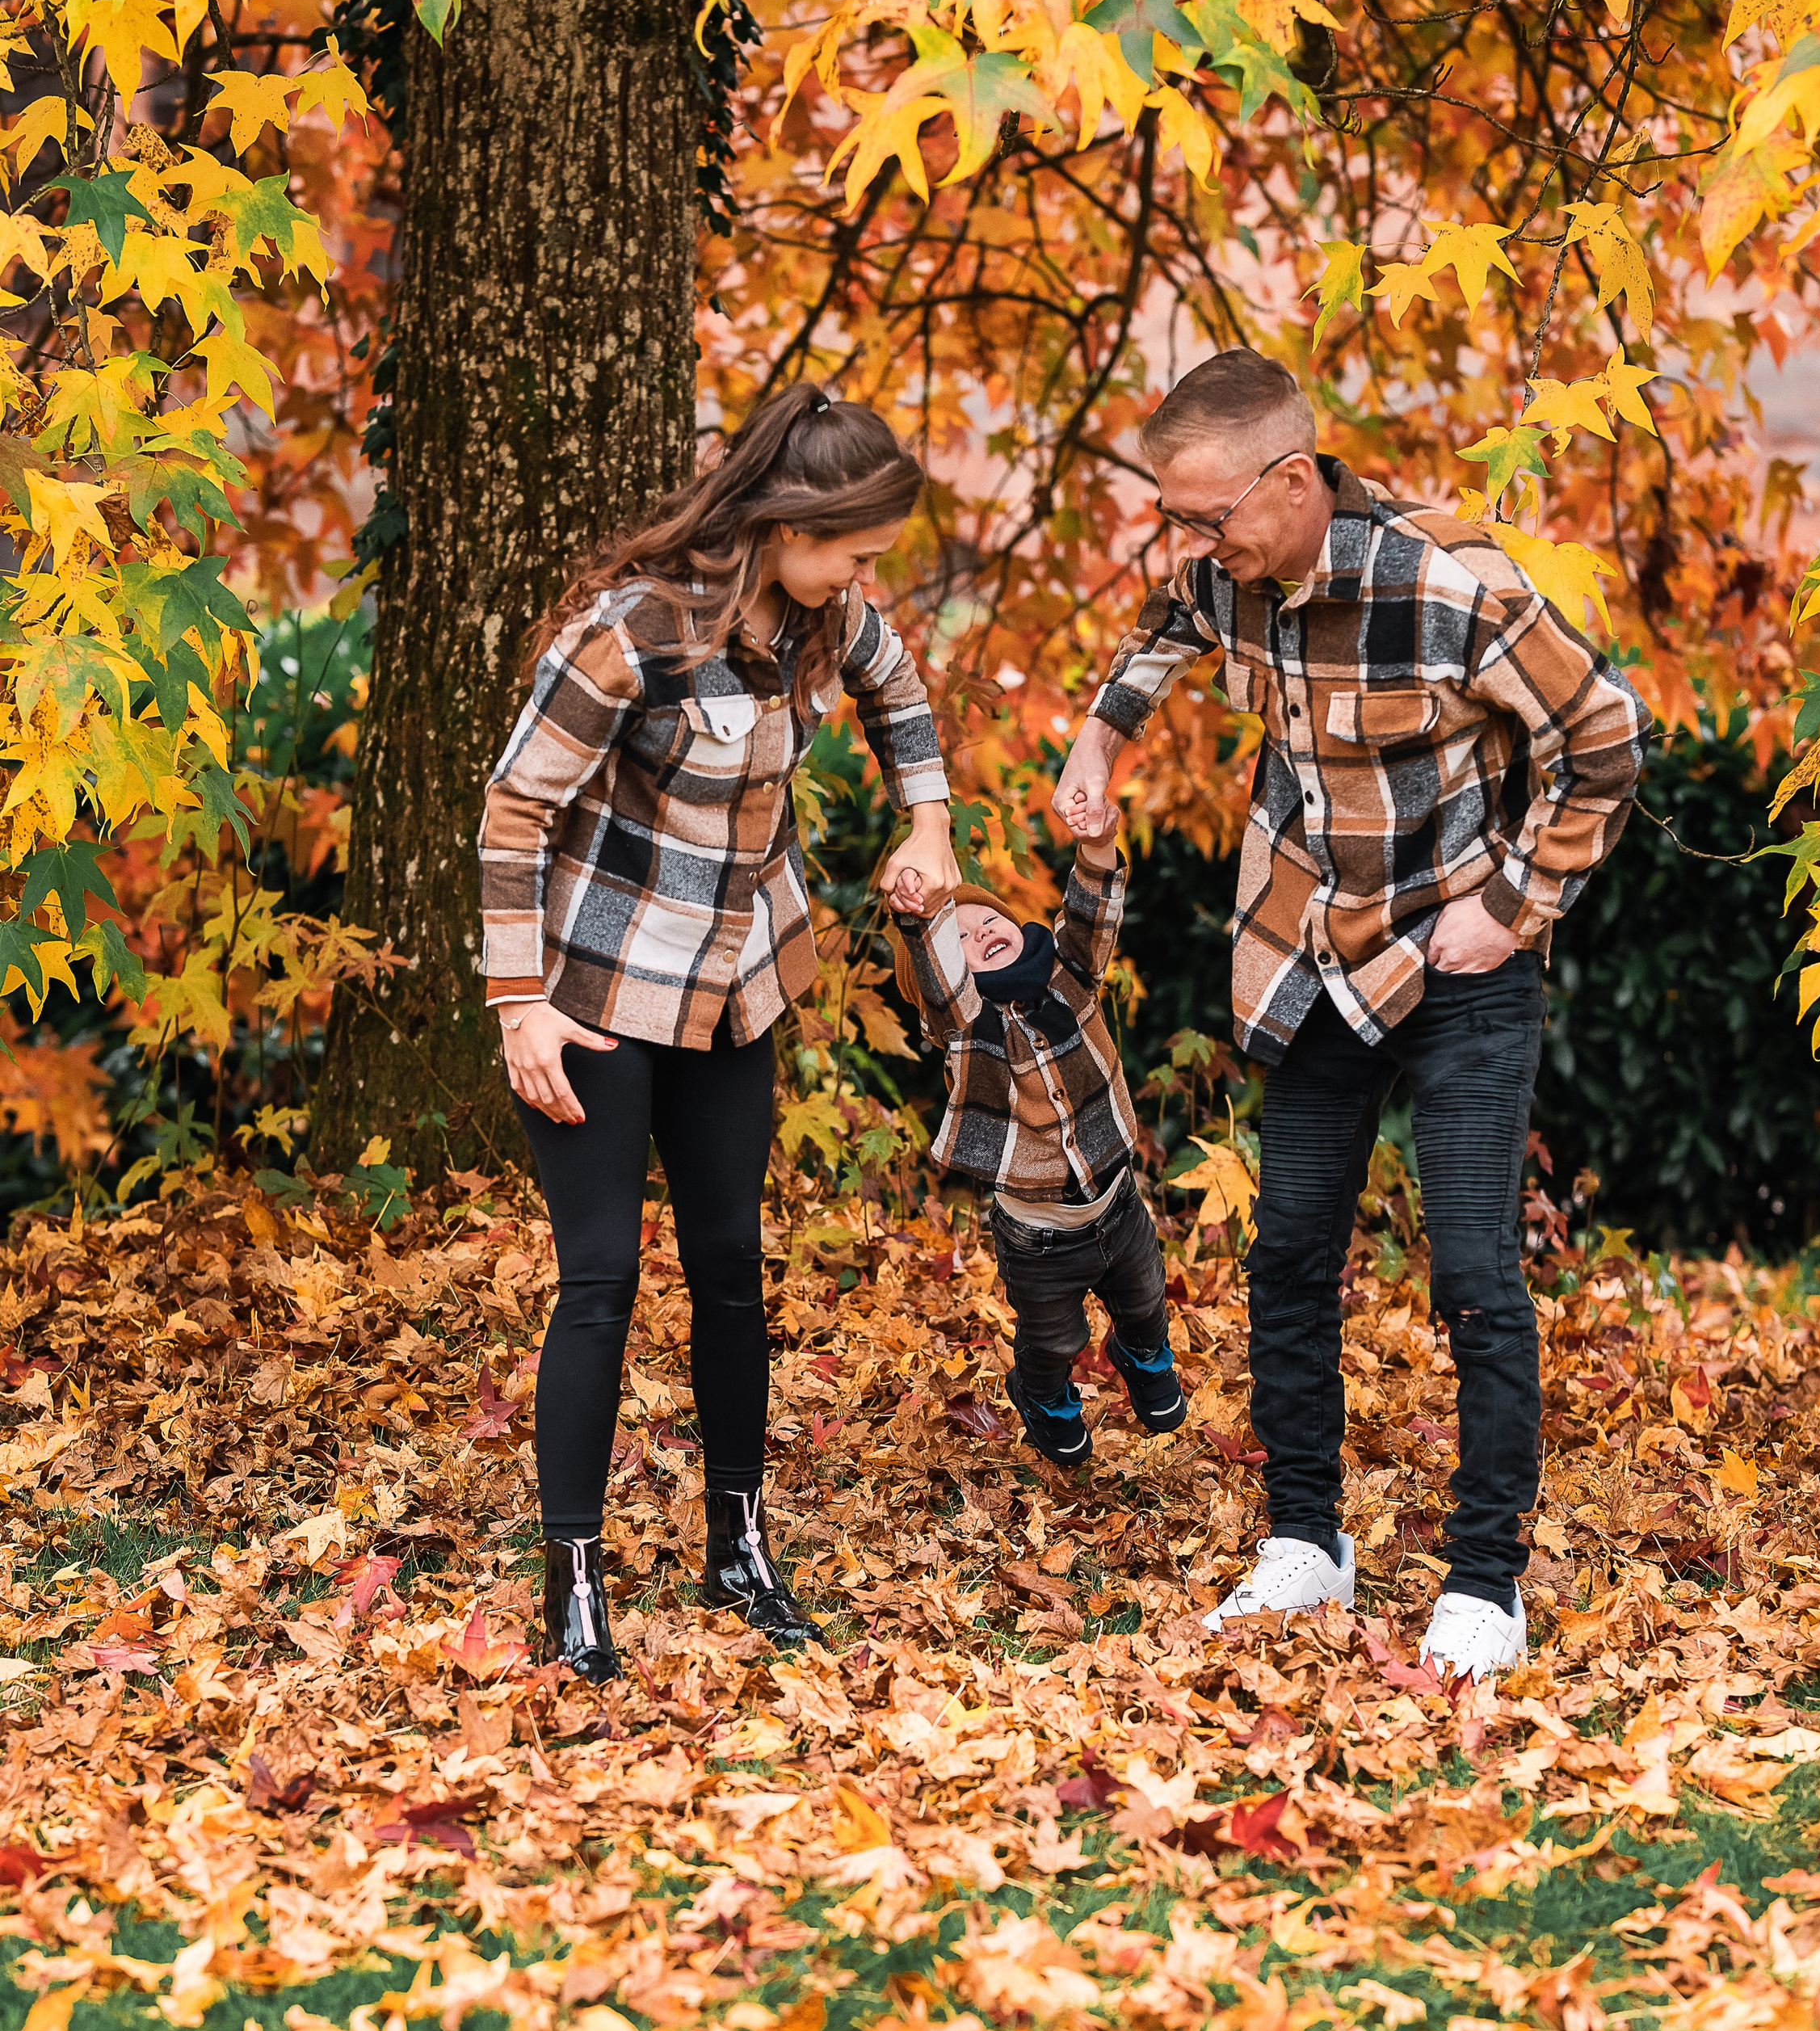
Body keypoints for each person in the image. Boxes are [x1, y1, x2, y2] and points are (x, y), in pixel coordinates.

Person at [1053, 349, 1650, 1677]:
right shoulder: (1227, 575)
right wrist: (1101, 743)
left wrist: (1515, 904)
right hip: (1307, 960)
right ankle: (1306, 1545)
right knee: (1289, 1258)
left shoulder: (1450, 586)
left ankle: (1486, 1582)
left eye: (1209, 516)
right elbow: (1162, 630)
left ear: (1294, 479)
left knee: (1475, 1274)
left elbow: (1602, 737)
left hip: (1459, 965)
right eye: (1181, 521)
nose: (1194, 546)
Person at [479, 384, 955, 1681]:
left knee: (732, 1262)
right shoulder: (632, 636)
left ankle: (737, 1547)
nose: (867, 580)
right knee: (600, 1283)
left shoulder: (824, 616)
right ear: (790, 523)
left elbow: (902, 693)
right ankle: (573, 1585)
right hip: (599, 989)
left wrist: (930, 824)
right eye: (855, 551)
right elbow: (514, 813)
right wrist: (520, 1004)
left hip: (736, 982)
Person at [886, 799, 1184, 1468]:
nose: (983, 932)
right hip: (1039, 1236)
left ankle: (1140, 1353)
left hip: (1118, 1203)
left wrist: (1099, 846)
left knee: (1144, 1300)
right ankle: (1042, 1394)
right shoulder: (966, 1027)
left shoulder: (1067, 978)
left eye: (988, 918)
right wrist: (917, 917)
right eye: (959, 937)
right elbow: (939, 985)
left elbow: (1090, 916)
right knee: (1054, 1338)